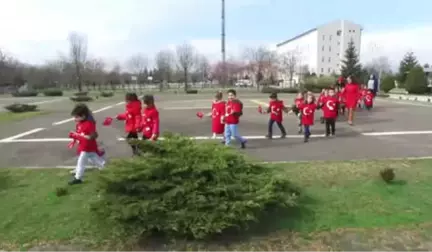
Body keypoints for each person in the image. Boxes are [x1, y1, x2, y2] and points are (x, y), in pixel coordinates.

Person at [68, 104, 106, 185]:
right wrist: (75, 135)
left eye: (77, 117)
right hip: (85, 146)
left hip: (87, 146)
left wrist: (80, 136)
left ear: (83, 116)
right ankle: (104, 168)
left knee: (81, 161)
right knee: (94, 159)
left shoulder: (89, 124)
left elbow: (92, 136)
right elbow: (80, 133)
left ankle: (78, 178)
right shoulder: (81, 123)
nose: (75, 119)